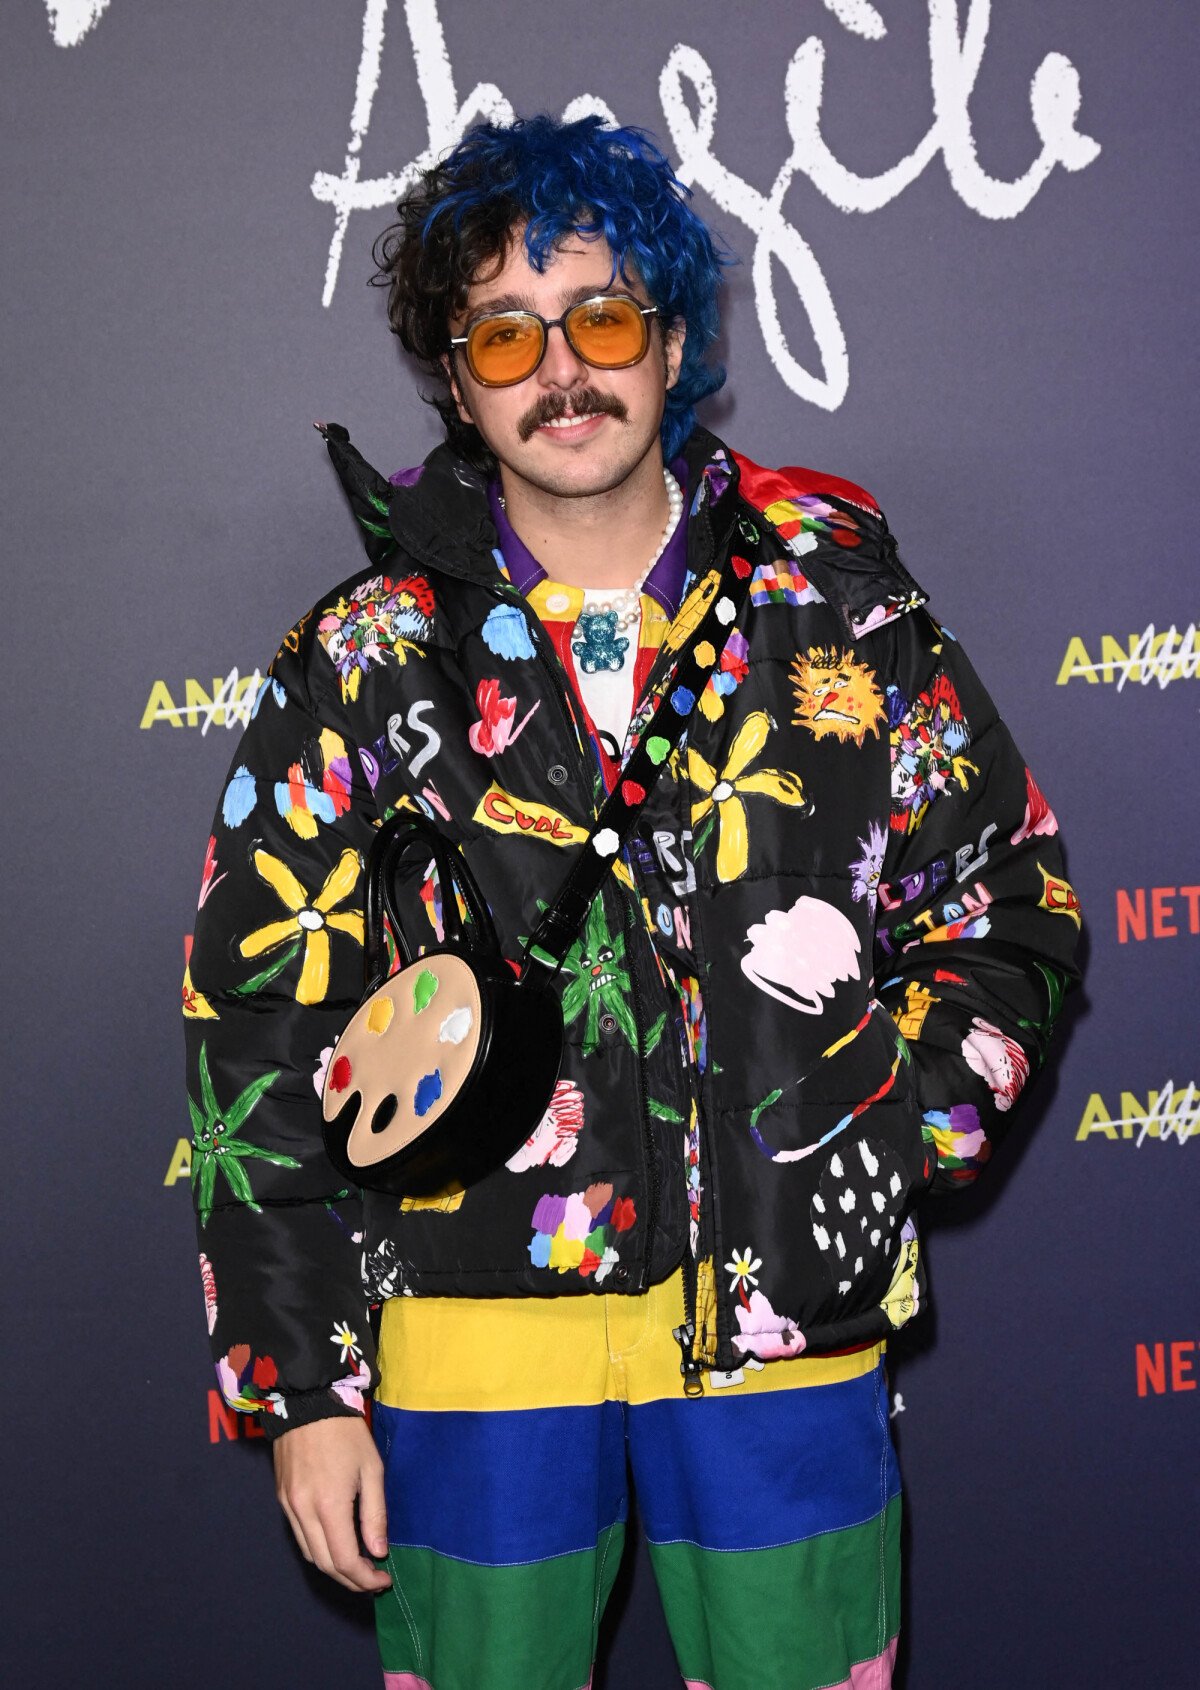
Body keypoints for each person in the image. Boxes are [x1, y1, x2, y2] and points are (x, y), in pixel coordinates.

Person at [183, 113, 1081, 1690]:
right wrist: (302, 1387)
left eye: (601, 319)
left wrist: (875, 1124)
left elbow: (1011, 899)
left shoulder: (837, 601)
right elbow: (258, 1021)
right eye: (506, 336)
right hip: (465, 1346)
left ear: (669, 340)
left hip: (785, 1331)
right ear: (457, 379)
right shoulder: (367, 653)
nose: (562, 372)